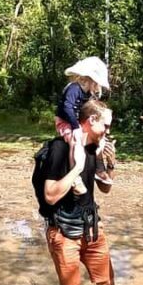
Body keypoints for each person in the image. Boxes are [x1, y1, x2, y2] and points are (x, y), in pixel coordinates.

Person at [41, 99, 142, 285]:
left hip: (92, 228)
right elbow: (50, 195)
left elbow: (105, 188)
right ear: (91, 120)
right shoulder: (59, 149)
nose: (108, 131)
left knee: (107, 281)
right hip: (63, 230)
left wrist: (110, 163)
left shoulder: (95, 148)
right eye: (105, 125)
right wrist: (77, 168)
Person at [55, 56, 112, 197]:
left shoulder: (87, 93)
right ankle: (75, 176)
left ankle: (99, 170)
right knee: (75, 142)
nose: (98, 87)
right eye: (97, 83)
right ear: (90, 79)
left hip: (74, 121)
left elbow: (88, 109)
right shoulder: (74, 89)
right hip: (65, 121)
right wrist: (75, 126)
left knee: (95, 140)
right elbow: (67, 107)